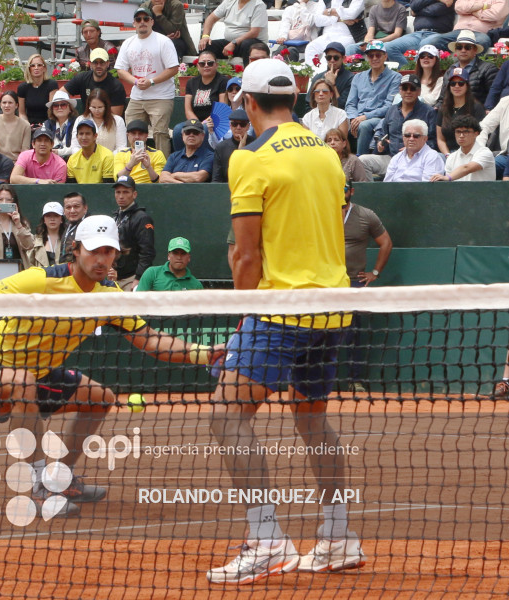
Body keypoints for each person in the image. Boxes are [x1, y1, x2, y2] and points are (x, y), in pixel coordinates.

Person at [0, 214, 222, 517]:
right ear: (76, 249)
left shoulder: (109, 298)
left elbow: (152, 341)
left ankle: (59, 480)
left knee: (100, 398)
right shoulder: (40, 279)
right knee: (23, 380)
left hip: (37, 379)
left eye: (109, 251)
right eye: (94, 250)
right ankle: (38, 486)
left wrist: (205, 353)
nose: (102, 259)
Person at [205, 59, 363, 585]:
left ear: (247, 103)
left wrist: (238, 319)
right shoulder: (326, 153)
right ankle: (338, 537)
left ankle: (267, 538)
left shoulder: (249, 158)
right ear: (294, 100)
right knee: (312, 419)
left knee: (228, 415)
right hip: (333, 309)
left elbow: (246, 257)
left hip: (280, 310)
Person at [341, 179, 393, 392]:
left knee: (355, 333)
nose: (337, 192)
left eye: (342, 189)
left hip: (354, 283)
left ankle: (354, 379)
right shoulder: (317, 213)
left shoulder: (365, 215)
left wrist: (375, 273)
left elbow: (386, 243)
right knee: (316, 331)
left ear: (350, 191)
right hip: (324, 283)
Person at [115, 7, 180, 158]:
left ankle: (161, 169)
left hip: (161, 96)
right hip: (137, 97)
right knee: (133, 132)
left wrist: (151, 82)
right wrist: (135, 82)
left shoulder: (163, 41)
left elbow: (173, 68)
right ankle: (136, 163)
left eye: (146, 19)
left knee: (160, 132)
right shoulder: (128, 43)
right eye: (138, 19)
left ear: (152, 21)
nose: (142, 22)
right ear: (134, 23)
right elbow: (120, 70)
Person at [360, 74, 438, 179]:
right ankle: (372, 195)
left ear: (419, 91)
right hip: (392, 159)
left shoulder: (429, 111)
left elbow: (433, 141)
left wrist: (413, 147)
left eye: (412, 88)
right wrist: (380, 143)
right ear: (400, 90)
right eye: (405, 88)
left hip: (417, 160)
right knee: (362, 160)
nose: (408, 92)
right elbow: (384, 133)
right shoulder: (391, 110)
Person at [345, 41, 402, 156]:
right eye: (371, 55)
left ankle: (361, 160)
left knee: (364, 125)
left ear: (385, 56)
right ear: (367, 58)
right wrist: (353, 119)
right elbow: (350, 104)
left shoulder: (395, 77)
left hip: (380, 118)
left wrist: (365, 117)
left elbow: (389, 106)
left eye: (378, 55)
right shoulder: (358, 77)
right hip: (357, 117)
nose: (374, 58)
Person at [174, 50, 228, 152]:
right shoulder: (191, 82)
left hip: (215, 122)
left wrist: (204, 124)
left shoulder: (223, 81)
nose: (206, 66)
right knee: (178, 130)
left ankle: (206, 160)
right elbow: (188, 110)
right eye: (202, 63)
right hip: (196, 121)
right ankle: (181, 159)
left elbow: (221, 108)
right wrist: (198, 124)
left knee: (206, 130)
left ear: (216, 65)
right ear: (198, 66)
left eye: (210, 63)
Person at [111, 175, 155, 291]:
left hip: (130, 279)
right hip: (113, 277)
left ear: (134, 194)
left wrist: (139, 278)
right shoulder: (115, 217)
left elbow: (147, 252)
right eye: (118, 192)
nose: (121, 196)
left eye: (125, 192)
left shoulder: (142, 218)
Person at [382, 0, 456, 67]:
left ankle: (416, 74)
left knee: (425, 45)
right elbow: (414, 6)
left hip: (437, 34)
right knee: (389, 47)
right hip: (417, 34)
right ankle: (409, 70)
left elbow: (435, 10)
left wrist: (417, 11)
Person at [435, 32, 499, 107]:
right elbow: (443, 98)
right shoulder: (450, 70)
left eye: (467, 47)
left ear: (475, 50)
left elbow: (494, 97)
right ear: (455, 50)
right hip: (452, 114)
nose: (463, 50)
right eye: (459, 47)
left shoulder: (488, 69)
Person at [198, 0, 268, 65]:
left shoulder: (258, 5)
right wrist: (205, 36)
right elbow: (211, 18)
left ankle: (248, 74)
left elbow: (254, 32)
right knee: (205, 45)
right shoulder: (229, 2)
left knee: (246, 44)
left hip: (253, 43)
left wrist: (234, 42)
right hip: (231, 42)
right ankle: (205, 75)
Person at [62, 48, 127, 117]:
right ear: (90, 64)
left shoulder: (116, 85)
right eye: (95, 62)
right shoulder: (82, 78)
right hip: (87, 122)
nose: (98, 66)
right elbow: (61, 93)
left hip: (108, 124)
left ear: (108, 63)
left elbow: (115, 117)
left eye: (102, 62)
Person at [436, 67, 486, 154]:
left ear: (467, 85)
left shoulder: (476, 107)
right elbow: (440, 139)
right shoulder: (443, 108)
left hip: (470, 153)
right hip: (447, 154)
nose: (457, 86)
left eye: (461, 83)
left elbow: (480, 136)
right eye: (453, 83)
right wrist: (448, 155)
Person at [431, 114, 495, 181]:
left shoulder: (485, 153)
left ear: (476, 134)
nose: (461, 135)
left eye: (466, 132)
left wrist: (448, 177)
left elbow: (467, 168)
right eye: (458, 132)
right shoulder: (451, 158)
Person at [304, 0, 366, 66]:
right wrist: (340, 19)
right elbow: (317, 21)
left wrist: (329, 12)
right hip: (327, 36)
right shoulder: (324, 1)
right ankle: (312, 75)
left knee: (330, 54)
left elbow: (351, 14)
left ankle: (326, 75)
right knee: (310, 48)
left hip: (347, 36)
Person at [422, 11, 506, 59]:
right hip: (459, 31)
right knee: (434, 42)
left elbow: (495, 15)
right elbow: (459, 8)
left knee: (482, 42)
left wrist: (471, 10)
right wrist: (483, 7)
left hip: (482, 32)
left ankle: (469, 70)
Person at [69, 89, 127, 154]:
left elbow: (121, 147)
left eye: (100, 107)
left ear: (106, 106)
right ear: (88, 106)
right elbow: (75, 146)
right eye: (93, 107)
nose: (97, 110)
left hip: (111, 161)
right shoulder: (80, 119)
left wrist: (106, 159)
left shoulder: (118, 121)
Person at [137, 236, 203, 291]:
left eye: (183, 253)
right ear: (168, 256)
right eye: (175, 253)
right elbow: (138, 301)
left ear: (189, 258)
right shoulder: (152, 273)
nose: (179, 257)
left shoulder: (196, 285)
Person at [113, 120, 166, 184]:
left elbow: (159, 180)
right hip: (128, 188)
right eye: (133, 133)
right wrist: (130, 165)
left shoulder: (157, 154)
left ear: (146, 136)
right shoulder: (120, 154)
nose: (137, 137)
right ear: (128, 136)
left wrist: (148, 167)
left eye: (140, 134)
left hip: (150, 189)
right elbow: (118, 179)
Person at [0, 91, 31, 161]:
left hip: (16, 163)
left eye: (10, 103)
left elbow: (25, 151)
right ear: (0, 105)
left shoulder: (25, 125)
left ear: (16, 105)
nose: (7, 105)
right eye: (4, 103)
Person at [307, 42, 354, 110]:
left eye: (336, 57)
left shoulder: (351, 78)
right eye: (329, 57)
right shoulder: (318, 77)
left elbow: (342, 106)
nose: (332, 60)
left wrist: (332, 84)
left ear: (343, 58)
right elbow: (308, 103)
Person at [67, 119, 115, 184]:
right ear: (77, 137)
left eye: (88, 134)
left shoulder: (107, 156)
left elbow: (107, 187)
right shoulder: (72, 159)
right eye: (81, 134)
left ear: (95, 136)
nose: (84, 137)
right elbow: (71, 187)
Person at [212, 109, 254, 182]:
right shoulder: (221, 147)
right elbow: (216, 179)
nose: (238, 127)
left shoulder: (256, 144)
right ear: (230, 126)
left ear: (248, 126)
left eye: (242, 124)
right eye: (235, 124)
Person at [18, 54, 59, 128]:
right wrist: (27, 126)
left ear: (44, 68)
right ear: (29, 68)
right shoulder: (23, 87)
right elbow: (22, 113)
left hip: (48, 125)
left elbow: (52, 111)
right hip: (29, 126)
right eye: (33, 65)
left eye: (39, 65)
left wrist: (45, 125)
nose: (36, 68)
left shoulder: (52, 85)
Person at [478, 94, 509, 177]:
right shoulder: (505, 102)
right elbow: (484, 126)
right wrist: (479, 149)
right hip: (505, 156)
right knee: (479, 167)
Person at [43, 91, 79, 159]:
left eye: (63, 105)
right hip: (50, 159)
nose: (59, 107)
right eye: (56, 105)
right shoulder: (47, 124)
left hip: (71, 159)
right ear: (52, 109)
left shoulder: (77, 123)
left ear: (70, 108)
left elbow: (77, 147)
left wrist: (59, 152)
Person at [30, 201, 66, 267]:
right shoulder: (35, 241)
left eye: (56, 216)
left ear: (61, 219)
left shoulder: (67, 240)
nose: (52, 219)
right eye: (48, 216)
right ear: (44, 219)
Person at [60, 192, 88, 263]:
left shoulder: (89, 226)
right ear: (64, 210)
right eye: (68, 207)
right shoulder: (66, 226)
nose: (72, 211)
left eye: (76, 206)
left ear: (85, 208)